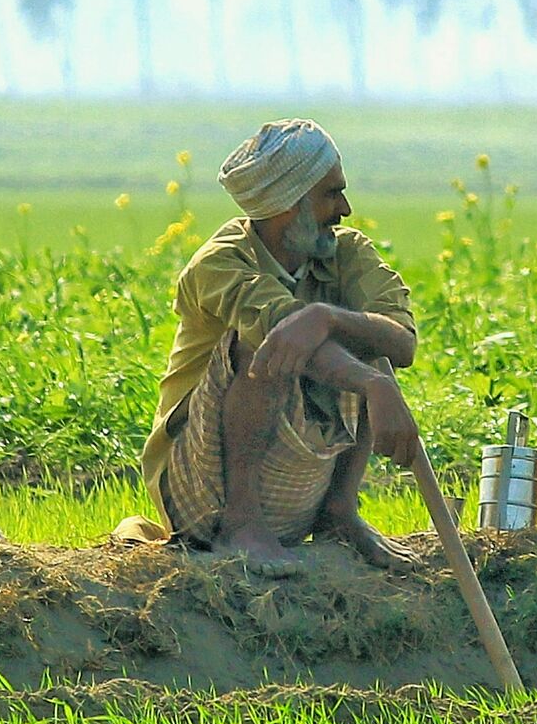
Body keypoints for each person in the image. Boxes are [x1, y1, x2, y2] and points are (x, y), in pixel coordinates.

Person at [139, 119, 422, 573]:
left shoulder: (346, 253)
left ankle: (339, 513)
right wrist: (373, 385)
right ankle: (242, 523)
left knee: (365, 339)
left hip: (299, 480)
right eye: (331, 194)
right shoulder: (219, 262)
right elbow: (280, 329)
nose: (345, 208)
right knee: (265, 348)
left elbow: (401, 340)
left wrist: (327, 316)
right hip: (203, 488)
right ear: (290, 205)